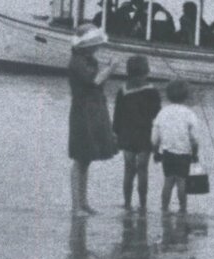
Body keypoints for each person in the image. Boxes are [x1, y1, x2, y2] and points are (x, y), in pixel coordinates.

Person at [66, 26, 120, 215]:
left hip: (93, 108)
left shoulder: (87, 59)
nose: (98, 47)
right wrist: (111, 68)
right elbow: (95, 81)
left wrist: (106, 68)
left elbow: (96, 82)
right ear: (87, 46)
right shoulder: (78, 62)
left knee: (86, 157)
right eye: (95, 44)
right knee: (80, 158)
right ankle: (76, 206)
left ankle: (83, 203)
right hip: (83, 110)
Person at [111, 54, 162, 211]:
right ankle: (143, 204)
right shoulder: (152, 91)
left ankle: (127, 203)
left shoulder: (123, 90)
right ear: (147, 71)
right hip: (144, 135)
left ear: (128, 71)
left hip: (126, 136)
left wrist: (116, 134)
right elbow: (157, 115)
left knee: (128, 170)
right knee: (142, 170)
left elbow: (117, 116)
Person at [150, 79, 207, 215]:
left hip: (167, 152)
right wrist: (195, 154)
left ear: (168, 95)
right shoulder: (189, 114)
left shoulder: (163, 112)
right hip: (184, 154)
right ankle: (182, 208)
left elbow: (155, 136)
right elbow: (194, 138)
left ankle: (164, 208)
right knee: (182, 181)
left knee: (168, 181)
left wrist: (156, 152)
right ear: (186, 96)